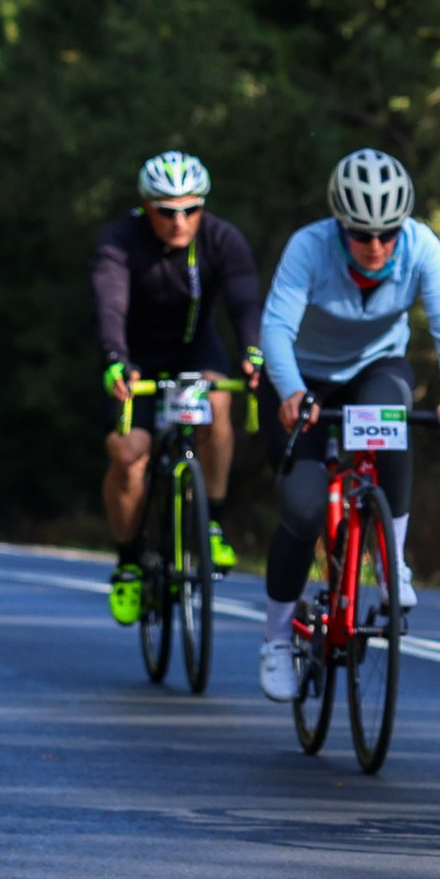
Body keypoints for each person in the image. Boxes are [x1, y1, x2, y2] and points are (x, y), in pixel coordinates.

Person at [255, 149, 440, 702]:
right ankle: (278, 640)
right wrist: (291, 392)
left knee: (389, 421)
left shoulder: (422, 245)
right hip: (300, 376)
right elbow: (276, 329)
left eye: (386, 233)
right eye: (360, 233)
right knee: (303, 509)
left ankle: (391, 562)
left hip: (375, 367)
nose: (375, 246)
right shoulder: (308, 247)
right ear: (339, 223)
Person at [92, 151, 263, 623]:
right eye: (167, 211)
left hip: (194, 350)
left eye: (190, 208)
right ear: (147, 207)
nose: (179, 220)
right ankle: (128, 563)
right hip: (136, 358)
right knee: (129, 455)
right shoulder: (120, 241)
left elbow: (245, 303)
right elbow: (110, 308)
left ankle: (211, 524)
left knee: (218, 400)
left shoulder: (221, 239)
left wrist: (253, 353)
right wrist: (115, 362)